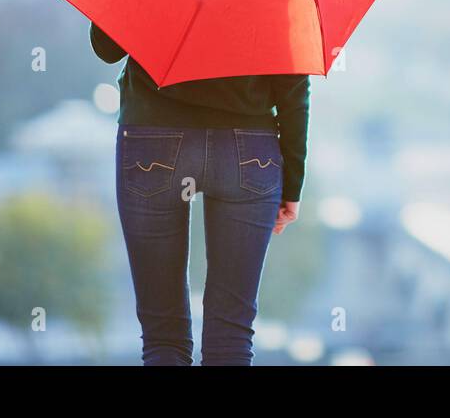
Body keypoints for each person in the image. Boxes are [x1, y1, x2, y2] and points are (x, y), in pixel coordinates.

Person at [90, 20, 309, 366]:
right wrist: (292, 182)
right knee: (232, 337)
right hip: (248, 150)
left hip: (154, 140)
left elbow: (107, 48)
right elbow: (294, 81)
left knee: (163, 336)